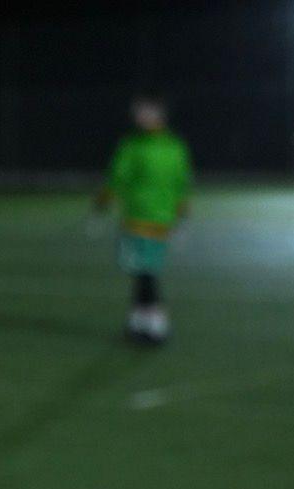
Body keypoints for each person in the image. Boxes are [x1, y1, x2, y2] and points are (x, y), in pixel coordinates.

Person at [93, 92, 192, 345]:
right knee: (144, 271)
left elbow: (118, 177)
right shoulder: (175, 145)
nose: (138, 116)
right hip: (160, 220)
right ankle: (138, 322)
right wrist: (182, 216)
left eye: (143, 111)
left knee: (144, 272)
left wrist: (102, 202)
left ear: (157, 113)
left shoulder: (134, 145)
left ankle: (156, 324)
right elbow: (183, 183)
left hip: (140, 217)